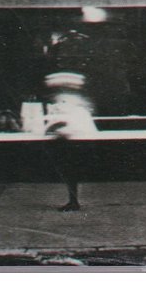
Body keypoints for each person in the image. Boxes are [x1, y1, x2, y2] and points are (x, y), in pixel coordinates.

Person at [43, 70, 97, 211]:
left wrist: (56, 129)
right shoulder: (74, 100)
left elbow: (67, 121)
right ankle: (73, 200)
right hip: (73, 139)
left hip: (75, 140)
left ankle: (73, 201)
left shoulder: (69, 100)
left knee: (70, 171)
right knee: (70, 172)